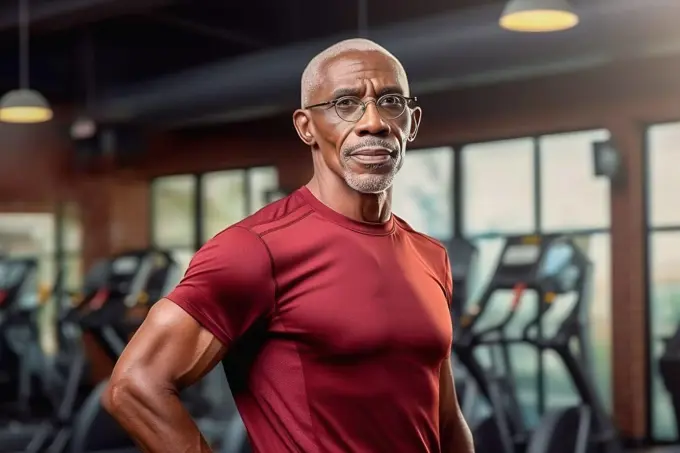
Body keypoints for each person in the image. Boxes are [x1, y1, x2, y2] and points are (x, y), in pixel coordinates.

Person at [102, 38, 474, 453]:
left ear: (412, 121)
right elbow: (135, 387)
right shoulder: (253, 250)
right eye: (345, 103)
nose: (373, 122)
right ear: (306, 127)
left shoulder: (430, 255)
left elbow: (446, 418)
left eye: (390, 102)